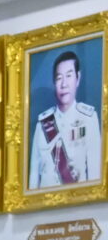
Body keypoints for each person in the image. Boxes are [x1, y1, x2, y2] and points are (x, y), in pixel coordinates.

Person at [27, 48, 100, 191]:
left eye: (69, 76)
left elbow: (95, 175)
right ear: (54, 82)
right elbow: (33, 178)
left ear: (78, 78)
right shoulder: (42, 124)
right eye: (59, 78)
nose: (64, 84)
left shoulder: (89, 119)